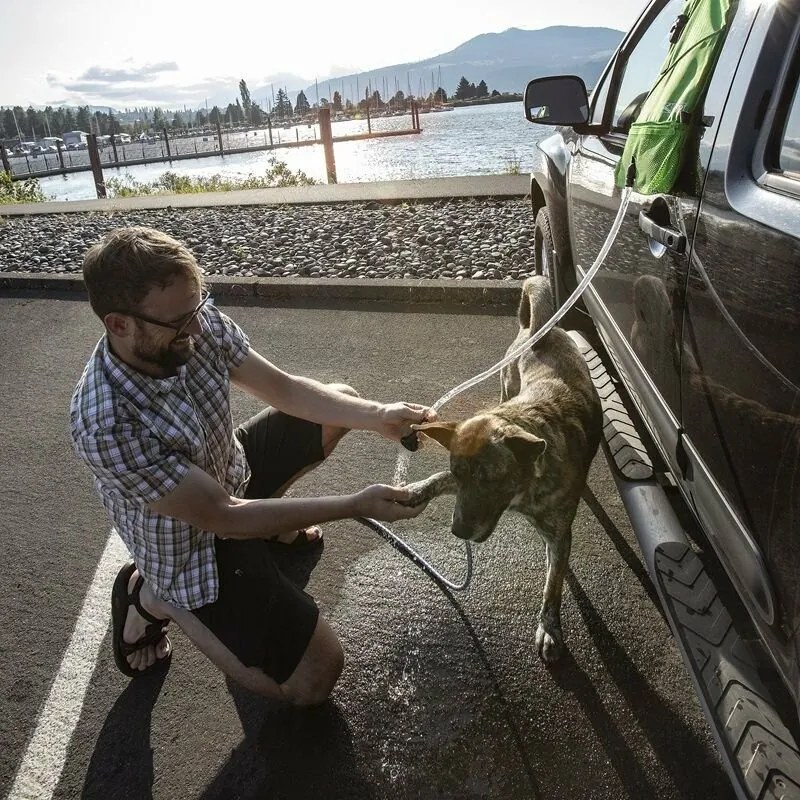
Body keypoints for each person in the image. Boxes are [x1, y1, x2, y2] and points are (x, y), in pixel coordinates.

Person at [70, 226, 434, 706]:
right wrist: (354, 505)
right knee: (314, 679)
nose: (199, 330)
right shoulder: (104, 422)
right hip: (193, 544)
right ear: (119, 325)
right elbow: (224, 517)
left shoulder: (193, 318)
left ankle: (270, 533)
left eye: (199, 307)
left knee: (343, 402)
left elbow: (283, 389)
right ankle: (152, 595)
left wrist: (378, 416)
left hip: (231, 473)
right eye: (181, 323)